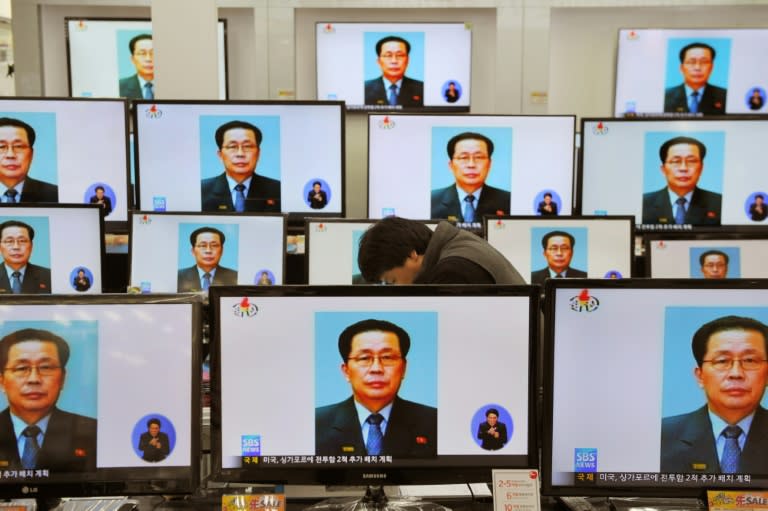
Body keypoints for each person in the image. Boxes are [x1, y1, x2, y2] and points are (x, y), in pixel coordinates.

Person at [660, 316, 768, 474]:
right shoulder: (663, 435)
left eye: (750, 360)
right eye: (722, 361)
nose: (736, 373)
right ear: (700, 376)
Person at [315, 319, 436, 457]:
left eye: (387, 357)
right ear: (346, 371)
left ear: (403, 368)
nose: (376, 368)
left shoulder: (434, 422)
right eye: (364, 358)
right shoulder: (315, 424)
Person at [0, 328, 97, 471]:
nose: (34, 379)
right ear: (2, 380)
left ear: (63, 378)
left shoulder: (93, 432)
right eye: (21, 368)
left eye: (46, 367)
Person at [357, 216, 525, 285]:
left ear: (411, 254)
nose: (397, 289)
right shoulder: (456, 243)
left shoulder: (452, 272)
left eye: (392, 281)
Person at [201, 120, 281, 213]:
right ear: (220, 155)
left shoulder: (277, 189)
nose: (240, 154)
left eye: (247, 146)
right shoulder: (202, 190)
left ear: (258, 153)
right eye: (232, 146)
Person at [431, 132, 510, 221]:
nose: (471, 164)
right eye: (464, 157)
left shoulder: (508, 201)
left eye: (479, 157)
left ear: (489, 164)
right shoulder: (432, 200)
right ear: (451, 165)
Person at [642, 136, 722, 226]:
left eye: (691, 161)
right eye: (676, 161)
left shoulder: (719, 203)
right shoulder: (644, 203)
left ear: (701, 168)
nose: (683, 168)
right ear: (663, 169)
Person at [0, 117, 58, 204]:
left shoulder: (54, 194)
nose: (10, 155)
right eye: (1, 147)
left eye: (18, 146)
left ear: (31, 154)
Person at [664, 42, 727, 115]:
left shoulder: (724, 96)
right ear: (682, 68)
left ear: (711, 68)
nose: (697, 68)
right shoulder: (666, 96)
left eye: (704, 62)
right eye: (691, 62)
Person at [364, 36, 423, 108]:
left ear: (407, 60)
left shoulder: (421, 88)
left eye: (400, 55)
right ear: (379, 61)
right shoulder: (365, 88)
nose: (394, 61)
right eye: (388, 55)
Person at [177, 226, 238, 292]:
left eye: (214, 245)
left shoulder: (235, 276)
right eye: (203, 245)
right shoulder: (179, 276)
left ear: (222, 250)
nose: (208, 251)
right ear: (193, 251)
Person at [0, 220, 51, 294]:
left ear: (31, 246)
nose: (16, 247)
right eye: (9, 241)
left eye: (22, 241)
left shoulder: (49, 276)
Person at [119, 34, 154, 100]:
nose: (148, 59)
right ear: (133, 59)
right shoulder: (120, 86)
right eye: (142, 53)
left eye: (153, 53)